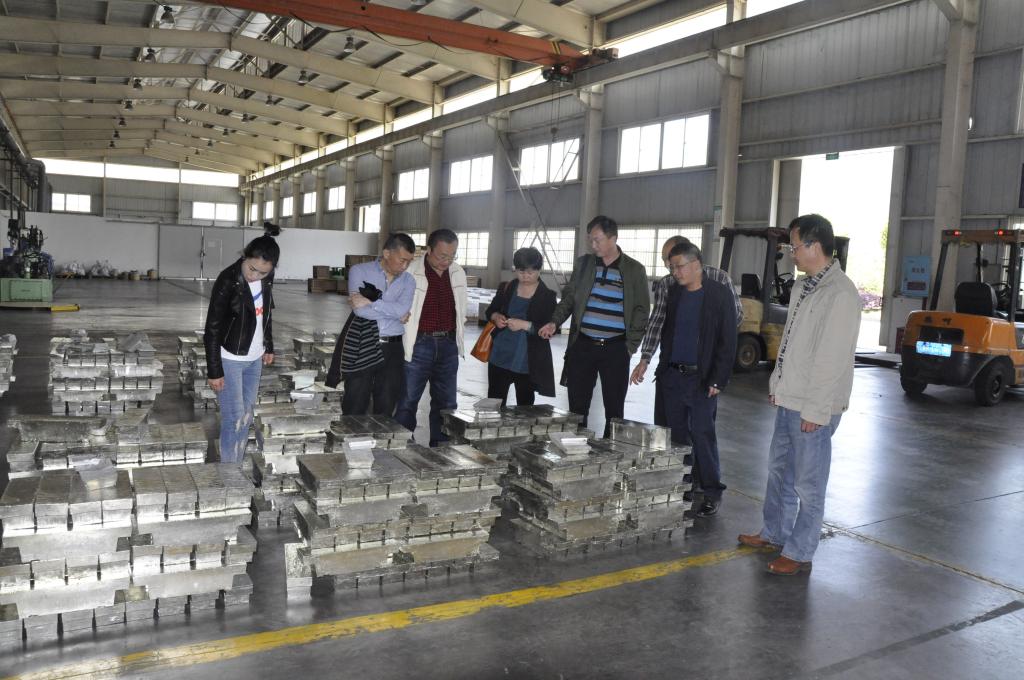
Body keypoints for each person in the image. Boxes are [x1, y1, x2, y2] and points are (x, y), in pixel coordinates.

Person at [738, 214, 861, 576]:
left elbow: (831, 358)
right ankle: (774, 532)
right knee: (779, 471)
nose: (791, 253)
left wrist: (816, 410)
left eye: (794, 246)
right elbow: (790, 343)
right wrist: (778, 384)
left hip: (814, 406)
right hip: (790, 398)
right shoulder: (802, 287)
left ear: (814, 246)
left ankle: (801, 551)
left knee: (808, 483)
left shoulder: (840, 293)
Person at [539, 215, 650, 438]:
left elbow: (641, 310)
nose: (593, 245)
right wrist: (554, 322)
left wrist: (630, 346)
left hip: (616, 348)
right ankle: (577, 449)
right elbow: (569, 299)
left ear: (613, 238)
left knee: (614, 410)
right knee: (577, 407)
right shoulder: (584, 265)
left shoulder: (634, 270)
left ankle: (610, 451)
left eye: (597, 240)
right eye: (590, 240)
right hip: (583, 345)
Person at [655, 242, 737, 517]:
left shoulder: (719, 294)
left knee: (702, 434)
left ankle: (712, 491)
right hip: (673, 376)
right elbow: (668, 332)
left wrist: (718, 379)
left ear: (696, 264)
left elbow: (728, 340)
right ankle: (686, 485)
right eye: (672, 267)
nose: (675, 272)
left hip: (702, 380)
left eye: (679, 266)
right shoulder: (675, 293)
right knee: (678, 436)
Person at [631, 235, 742, 426]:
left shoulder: (720, 279)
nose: (669, 266)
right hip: (673, 373)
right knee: (671, 429)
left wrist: (715, 368)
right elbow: (657, 323)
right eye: (667, 262)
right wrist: (645, 358)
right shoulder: (668, 285)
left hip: (703, 373)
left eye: (674, 262)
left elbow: (735, 320)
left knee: (701, 432)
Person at [203, 225, 280, 464]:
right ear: (244, 257)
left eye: (262, 273)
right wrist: (214, 370)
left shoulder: (266, 279)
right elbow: (212, 328)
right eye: (251, 269)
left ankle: (235, 465)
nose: (255, 276)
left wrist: (268, 345)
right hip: (230, 359)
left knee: (246, 416)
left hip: (254, 359)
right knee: (233, 418)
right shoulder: (228, 280)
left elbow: (266, 313)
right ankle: (229, 473)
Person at [325, 232, 415, 416]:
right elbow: (360, 311)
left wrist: (371, 302)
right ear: (387, 253)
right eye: (402, 260)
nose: (405, 266)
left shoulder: (409, 281)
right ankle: (350, 433)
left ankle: (380, 434)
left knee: (387, 404)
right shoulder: (359, 271)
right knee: (355, 401)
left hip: (393, 348)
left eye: (409, 261)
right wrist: (394, 313)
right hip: (364, 343)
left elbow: (402, 310)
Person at [394, 229, 467, 446]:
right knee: (407, 400)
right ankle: (402, 446)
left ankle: (441, 447)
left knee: (446, 403)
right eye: (442, 256)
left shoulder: (458, 272)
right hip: (419, 343)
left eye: (452, 256)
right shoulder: (411, 271)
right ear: (428, 250)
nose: (447, 261)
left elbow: (461, 309)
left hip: (448, 344)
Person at [484, 247, 557, 406]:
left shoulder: (548, 296)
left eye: (530, 272)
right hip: (500, 355)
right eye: (521, 271)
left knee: (525, 407)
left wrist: (524, 325)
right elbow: (490, 311)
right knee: (494, 403)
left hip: (527, 360)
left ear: (539, 270)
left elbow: (550, 329)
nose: (525, 276)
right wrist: (496, 317)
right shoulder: (506, 288)